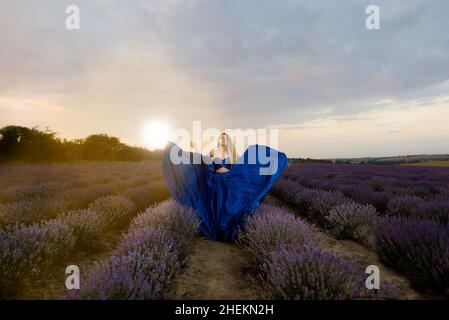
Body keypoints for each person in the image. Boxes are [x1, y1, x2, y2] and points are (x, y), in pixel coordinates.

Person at [163, 132, 287, 241]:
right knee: (215, 207)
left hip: (229, 182)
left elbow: (240, 167)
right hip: (216, 182)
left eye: (224, 138)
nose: (222, 140)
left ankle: (225, 230)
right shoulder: (213, 152)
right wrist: (193, 146)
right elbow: (201, 158)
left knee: (228, 207)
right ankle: (216, 230)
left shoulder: (232, 154)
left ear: (228, 141)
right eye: (220, 138)